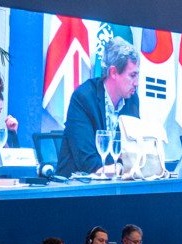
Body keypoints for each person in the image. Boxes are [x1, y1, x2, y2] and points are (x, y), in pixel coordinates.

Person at [59, 35, 141, 177]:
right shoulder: (83, 98)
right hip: (76, 189)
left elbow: (133, 152)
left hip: (115, 186)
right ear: (113, 72)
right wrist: (121, 166)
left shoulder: (132, 100)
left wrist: (123, 165)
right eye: (132, 75)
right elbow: (88, 163)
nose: (136, 83)